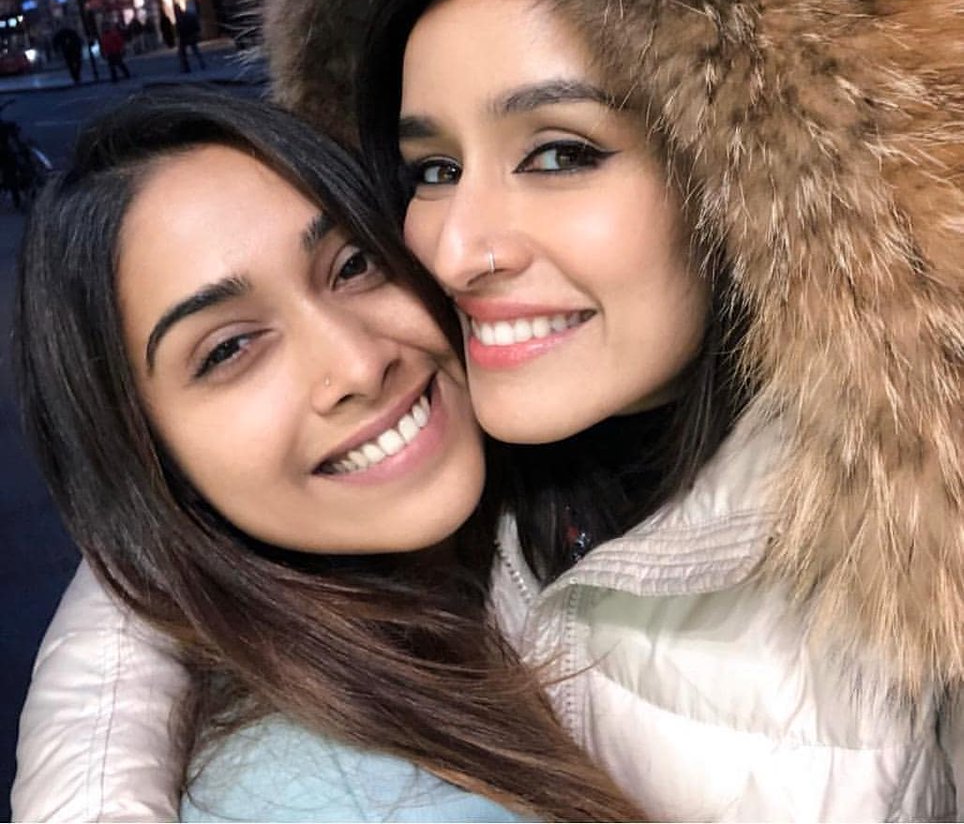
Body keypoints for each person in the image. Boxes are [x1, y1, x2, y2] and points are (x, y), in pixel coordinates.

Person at [14, 0, 964, 820]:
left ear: (753, 175)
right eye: (427, 169)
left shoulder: (919, 572)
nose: (454, 251)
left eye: (560, 153)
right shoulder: (478, 471)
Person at [13, 86, 637, 824]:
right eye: (230, 349)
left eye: (353, 265)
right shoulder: (331, 797)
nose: (359, 364)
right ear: (148, 459)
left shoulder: (560, 490)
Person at [175, 0, 206, 73]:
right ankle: (189, 66)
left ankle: (190, 66)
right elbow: (179, 29)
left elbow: (184, 27)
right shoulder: (182, 17)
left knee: (192, 51)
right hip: (186, 36)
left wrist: (195, 32)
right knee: (190, 51)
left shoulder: (184, 16)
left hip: (188, 36)